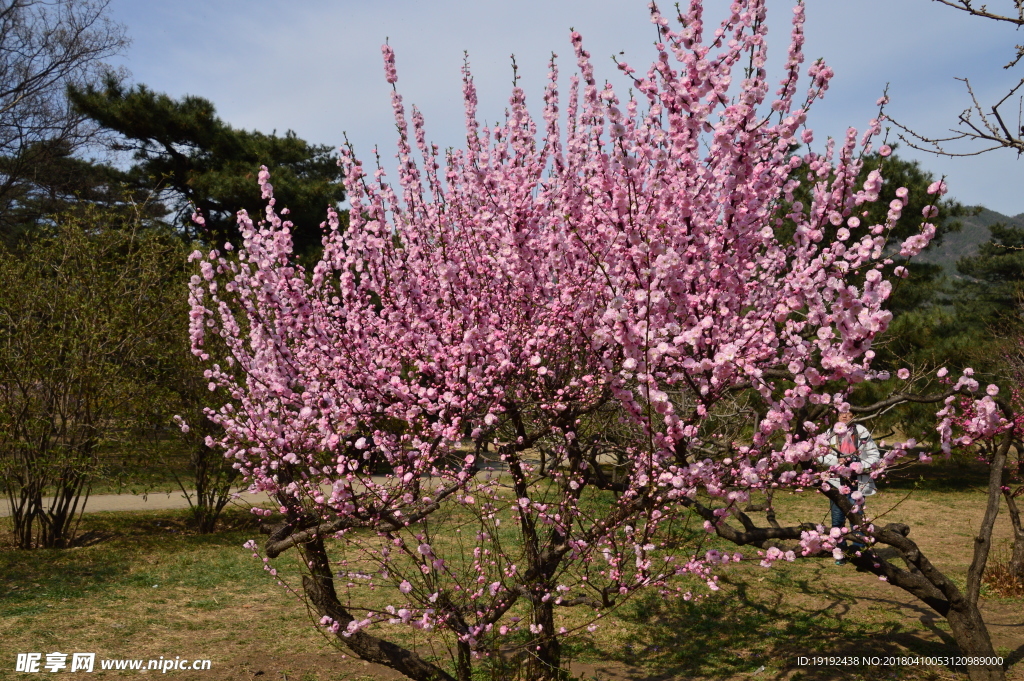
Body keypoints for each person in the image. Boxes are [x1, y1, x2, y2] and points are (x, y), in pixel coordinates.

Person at [820, 408, 881, 565]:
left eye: (849, 414)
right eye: (842, 413)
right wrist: (836, 461)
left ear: (854, 416)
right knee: (837, 518)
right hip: (836, 481)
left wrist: (859, 464)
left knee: (857, 518)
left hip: (857, 481)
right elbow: (821, 454)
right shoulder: (830, 433)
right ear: (837, 416)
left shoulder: (861, 432)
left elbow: (874, 454)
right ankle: (840, 551)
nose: (845, 416)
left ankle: (859, 551)